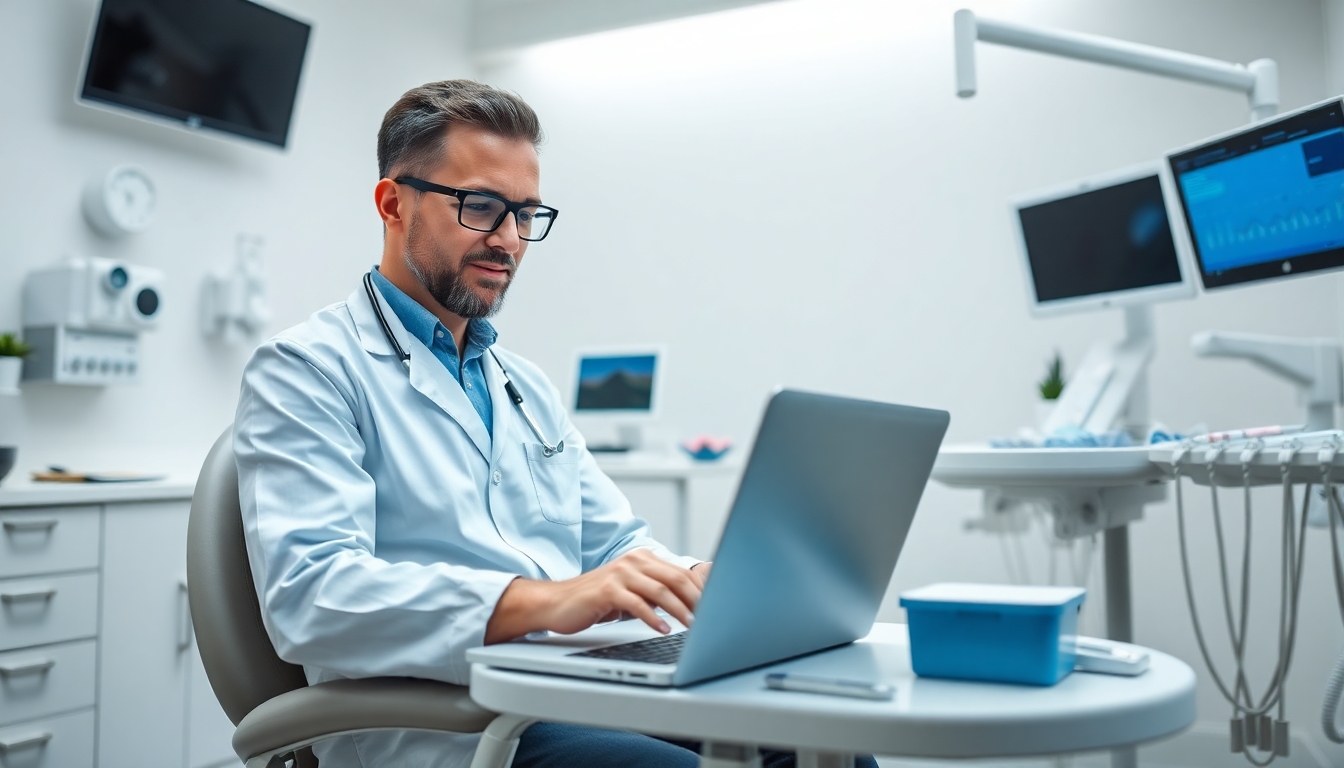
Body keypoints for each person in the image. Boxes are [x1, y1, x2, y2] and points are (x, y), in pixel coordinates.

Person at [235, 79, 878, 768]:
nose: (509, 240)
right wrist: (543, 601)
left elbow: (615, 547)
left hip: (566, 691)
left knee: (829, 747)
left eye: (526, 214)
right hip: (440, 725)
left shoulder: (521, 385)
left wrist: (712, 584)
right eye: (481, 207)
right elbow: (313, 595)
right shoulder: (306, 369)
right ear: (394, 204)